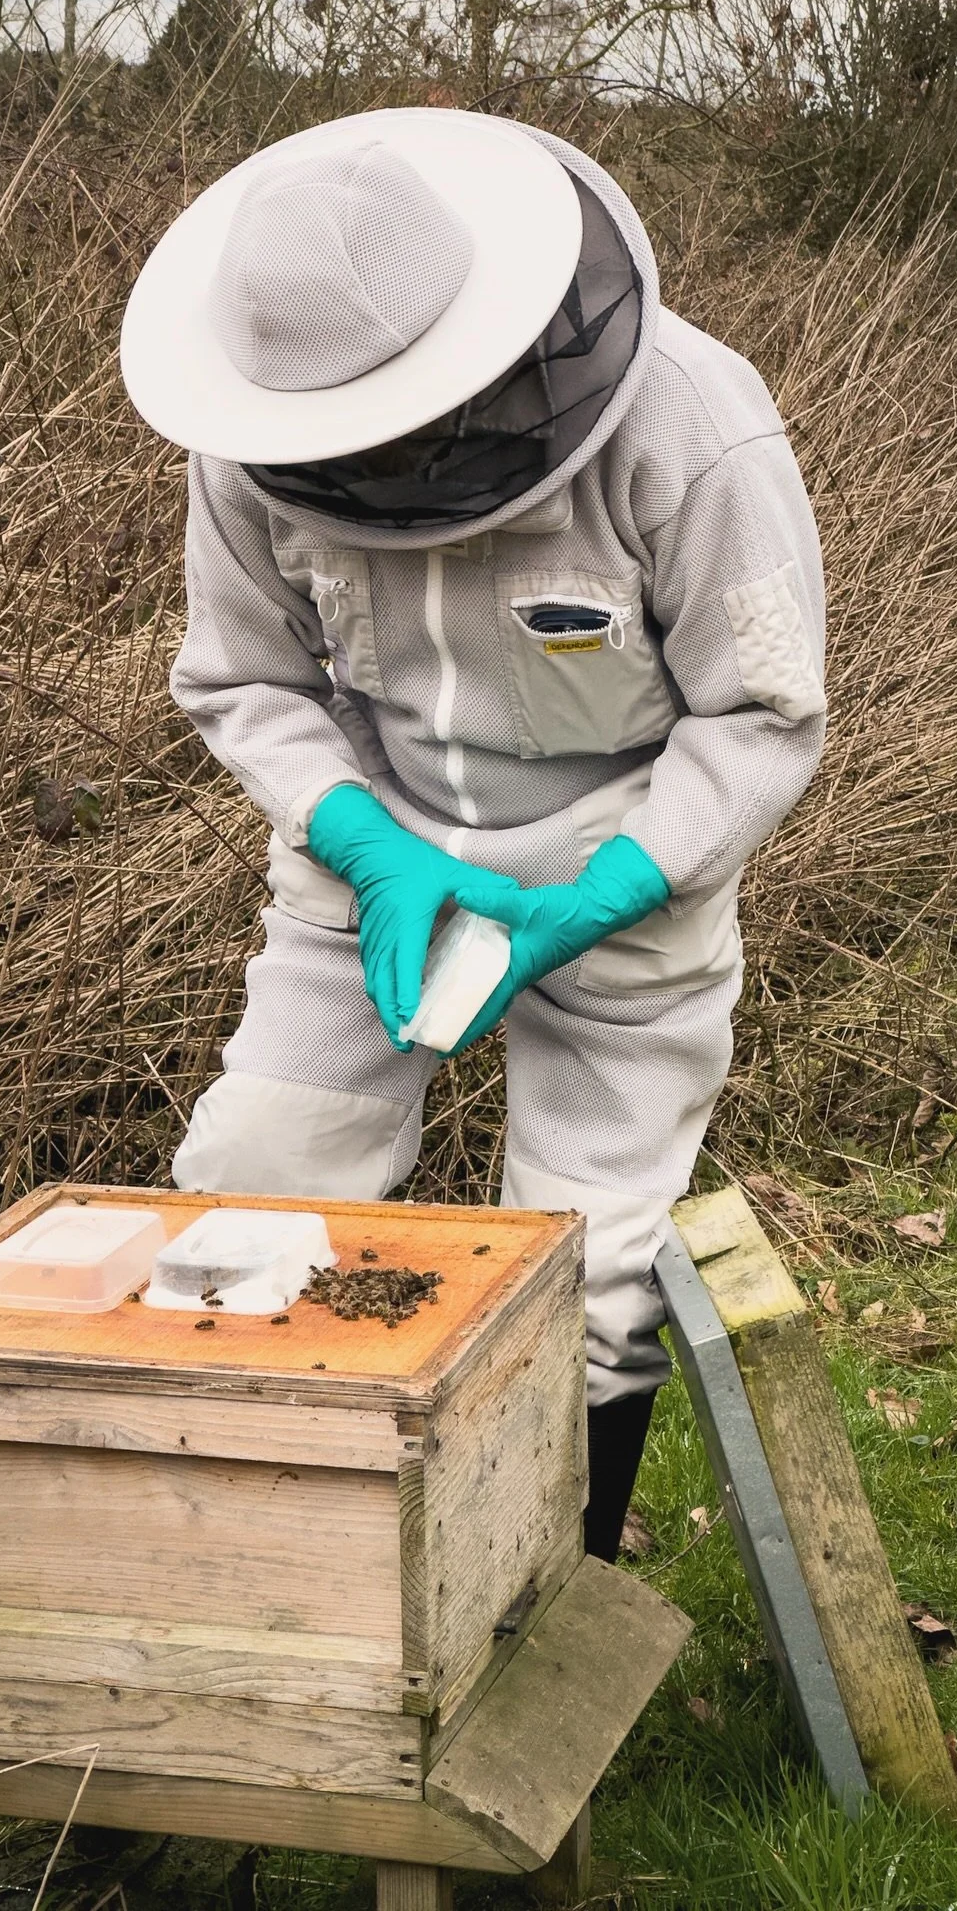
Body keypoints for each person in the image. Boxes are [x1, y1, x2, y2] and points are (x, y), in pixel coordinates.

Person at [118, 108, 826, 1560]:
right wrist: (362, 842)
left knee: (592, 1281)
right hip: (374, 851)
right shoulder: (251, 438)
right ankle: (258, 1576)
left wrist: (612, 886)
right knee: (246, 1203)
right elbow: (244, 680)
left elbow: (761, 714)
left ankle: (549, 1602)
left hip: (628, 860)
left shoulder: (693, 425)